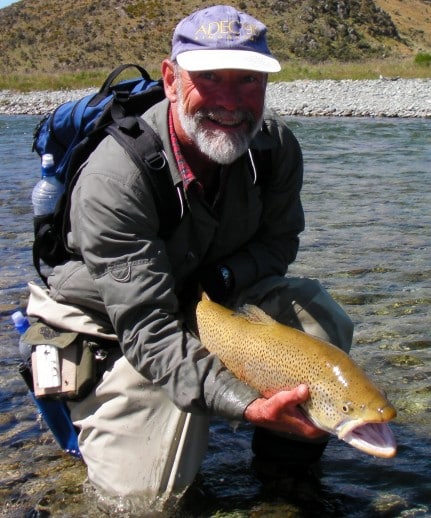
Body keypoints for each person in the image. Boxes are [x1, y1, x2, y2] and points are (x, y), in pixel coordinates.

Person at [26, 4, 353, 510]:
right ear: (171, 78)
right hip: (118, 315)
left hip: (209, 294)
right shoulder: (116, 178)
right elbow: (150, 331)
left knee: (320, 317)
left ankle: (285, 474)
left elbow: (279, 244)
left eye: (248, 80)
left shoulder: (275, 147)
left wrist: (223, 277)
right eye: (209, 78)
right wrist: (247, 405)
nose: (230, 101)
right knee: (144, 499)